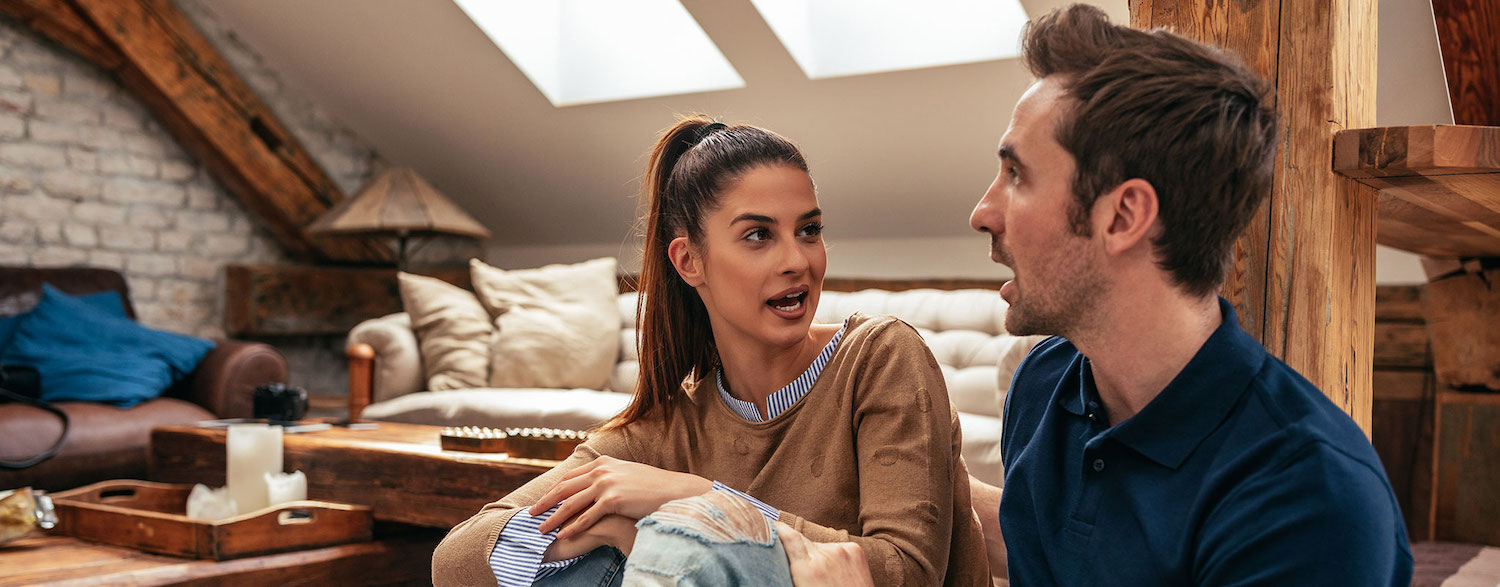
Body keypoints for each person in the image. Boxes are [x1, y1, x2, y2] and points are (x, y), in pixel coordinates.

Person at [957, 4, 1412, 585]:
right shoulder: (1046, 381)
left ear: (1124, 216)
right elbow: (1038, 552)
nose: (982, 213)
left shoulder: (1311, 501)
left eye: (1017, 175)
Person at [430, 117, 990, 586]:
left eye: (809, 230)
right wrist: (615, 532)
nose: (799, 260)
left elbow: (905, 571)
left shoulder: (882, 356)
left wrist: (696, 503)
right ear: (688, 261)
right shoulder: (662, 427)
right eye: (758, 235)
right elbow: (455, 561)